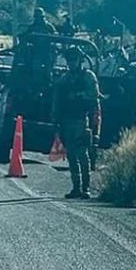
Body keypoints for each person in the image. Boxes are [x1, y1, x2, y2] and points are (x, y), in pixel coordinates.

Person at [53, 48, 100, 199]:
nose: (71, 63)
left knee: (82, 154)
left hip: (82, 119)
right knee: (71, 155)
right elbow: (57, 100)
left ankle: (85, 187)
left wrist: (78, 96)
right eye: (69, 61)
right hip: (67, 121)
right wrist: (55, 120)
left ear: (80, 61)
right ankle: (76, 187)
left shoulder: (87, 76)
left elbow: (94, 96)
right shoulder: (64, 79)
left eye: (74, 60)